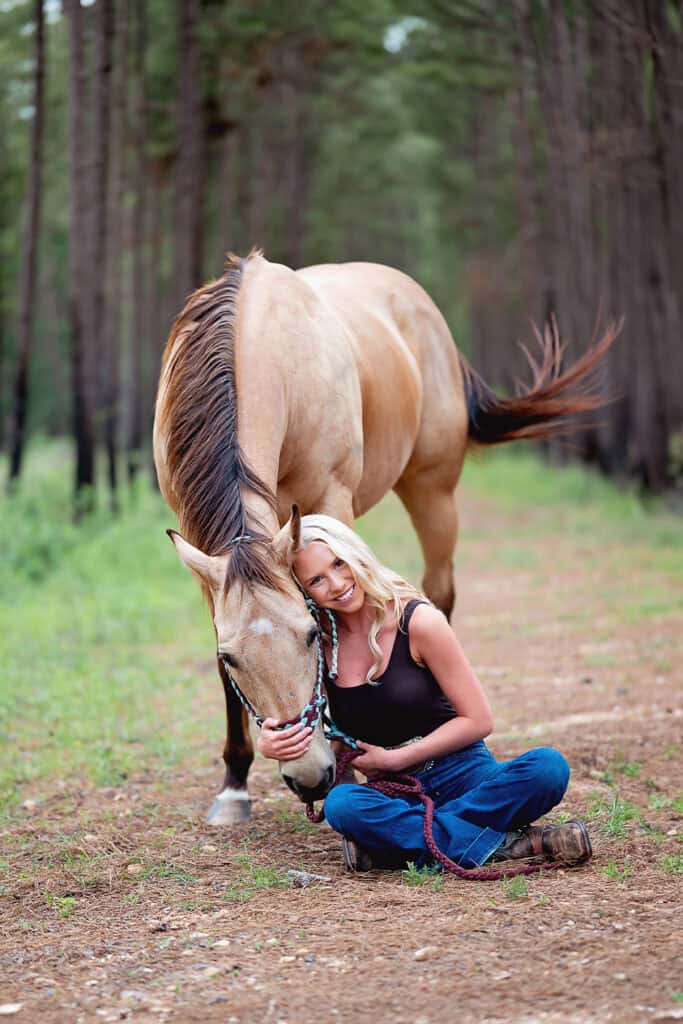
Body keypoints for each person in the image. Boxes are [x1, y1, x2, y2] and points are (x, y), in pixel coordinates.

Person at [257, 514, 592, 872]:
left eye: (339, 563)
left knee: (548, 768)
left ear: (356, 554)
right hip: (392, 791)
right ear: (304, 592)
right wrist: (272, 743)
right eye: (317, 580)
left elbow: (478, 720)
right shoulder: (321, 646)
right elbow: (315, 727)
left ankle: (397, 845)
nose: (337, 584)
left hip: (464, 773)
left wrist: (397, 759)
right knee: (342, 805)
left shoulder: (419, 622)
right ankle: (518, 843)